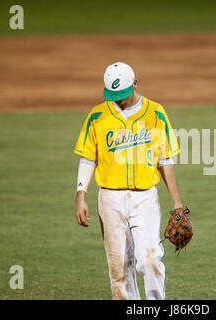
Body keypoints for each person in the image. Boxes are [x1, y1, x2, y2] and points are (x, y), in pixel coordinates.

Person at [73, 62, 184, 300]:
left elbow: (165, 160)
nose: (119, 100)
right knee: (119, 269)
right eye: (114, 96)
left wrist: (176, 202)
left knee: (151, 258)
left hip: (145, 197)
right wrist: (81, 194)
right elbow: (88, 158)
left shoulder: (155, 113)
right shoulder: (97, 116)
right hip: (110, 199)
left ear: (135, 83)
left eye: (123, 94)